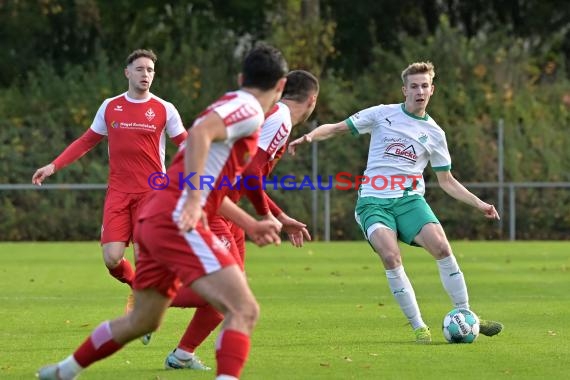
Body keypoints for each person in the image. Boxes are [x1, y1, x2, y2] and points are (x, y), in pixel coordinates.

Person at [37, 43, 289, 380]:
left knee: (143, 320)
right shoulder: (250, 110)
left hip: (154, 213)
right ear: (281, 85)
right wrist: (195, 200)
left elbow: (201, 162)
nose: (145, 75)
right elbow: (200, 135)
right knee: (243, 308)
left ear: (241, 77)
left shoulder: (222, 103)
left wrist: (249, 221)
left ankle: (61, 372)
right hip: (173, 218)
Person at [288, 61, 504, 343]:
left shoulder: (435, 134)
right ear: (404, 90)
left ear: (432, 90)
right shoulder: (382, 114)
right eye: (414, 86)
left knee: (441, 246)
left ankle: (466, 315)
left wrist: (479, 204)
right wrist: (309, 136)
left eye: (424, 86)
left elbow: (447, 181)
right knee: (390, 256)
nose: (419, 91)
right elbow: (337, 127)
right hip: (373, 202)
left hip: (409, 200)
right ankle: (419, 327)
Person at [164, 70, 320, 370]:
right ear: (312, 99)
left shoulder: (269, 113)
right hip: (215, 208)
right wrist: (264, 215)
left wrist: (279, 215)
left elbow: (249, 177)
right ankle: (150, 296)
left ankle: (182, 354)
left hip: (230, 210)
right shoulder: (281, 119)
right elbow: (250, 174)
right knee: (233, 295)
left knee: (236, 293)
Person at [31, 49, 188, 325]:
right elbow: (86, 141)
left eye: (150, 70)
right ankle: (138, 289)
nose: (146, 75)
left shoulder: (165, 109)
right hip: (118, 191)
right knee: (112, 258)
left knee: (145, 258)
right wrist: (53, 166)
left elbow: (186, 145)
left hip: (152, 194)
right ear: (127, 72)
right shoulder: (110, 106)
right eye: (140, 69)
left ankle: (146, 317)